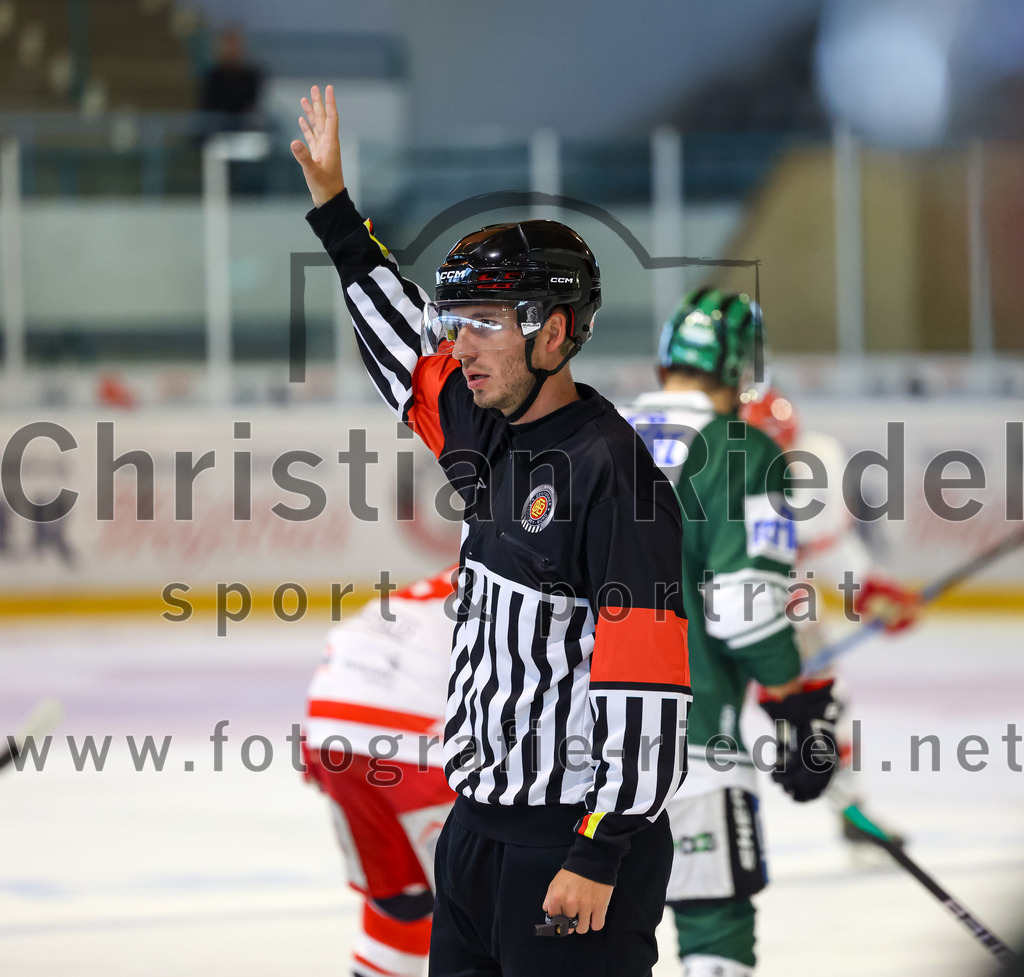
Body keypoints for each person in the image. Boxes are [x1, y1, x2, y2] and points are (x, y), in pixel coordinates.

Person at [292, 85, 691, 977]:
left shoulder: (615, 480)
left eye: (483, 325)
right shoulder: (488, 429)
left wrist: (600, 852)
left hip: (568, 849)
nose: (461, 347)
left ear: (554, 331)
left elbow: (648, 695)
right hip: (474, 834)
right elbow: (403, 350)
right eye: (457, 323)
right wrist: (335, 209)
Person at [620, 288, 841, 977]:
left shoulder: (585, 434)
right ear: (745, 367)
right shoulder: (739, 449)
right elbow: (745, 606)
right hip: (688, 744)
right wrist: (793, 705)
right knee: (715, 925)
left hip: (563, 756)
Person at [740, 387, 920, 848]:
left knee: (825, 705)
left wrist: (868, 589)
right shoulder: (703, 474)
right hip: (705, 617)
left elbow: (828, 548)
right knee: (688, 718)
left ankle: (850, 807)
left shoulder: (810, 467)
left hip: (784, 612)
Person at [303, 566, 458, 977]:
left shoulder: (481, 558)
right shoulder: (546, 572)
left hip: (329, 720)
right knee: (489, 909)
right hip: (414, 734)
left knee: (404, 899)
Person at [199, 26, 263, 131]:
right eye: (228, 43)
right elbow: (207, 107)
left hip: (244, 131)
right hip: (217, 131)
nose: (232, 48)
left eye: (235, 44)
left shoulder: (252, 75)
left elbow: (253, 106)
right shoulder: (212, 76)